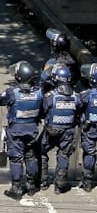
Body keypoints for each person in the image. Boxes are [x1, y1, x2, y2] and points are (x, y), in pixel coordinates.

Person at [0, 60, 44, 200]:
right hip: (32, 129)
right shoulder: (39, 92)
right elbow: (44, 108)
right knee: (31, 156)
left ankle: (16, 188)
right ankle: (31, 185)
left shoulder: (12, 92)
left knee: (16, 159)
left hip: (16, 130)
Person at [38, 64, 80, 192]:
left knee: (40, 151)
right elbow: (79, 111)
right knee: (63, 154)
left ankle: (43, 182)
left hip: (51, 131)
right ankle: (60, 184)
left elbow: (42, 111)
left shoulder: (50, 97)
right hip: (68, 131)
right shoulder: (76, 97)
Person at [78, 63, 97, 191]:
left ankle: (88, 182)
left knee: (89, 152)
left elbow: (77, 105)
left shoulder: (87, 94)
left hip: (90, 128)